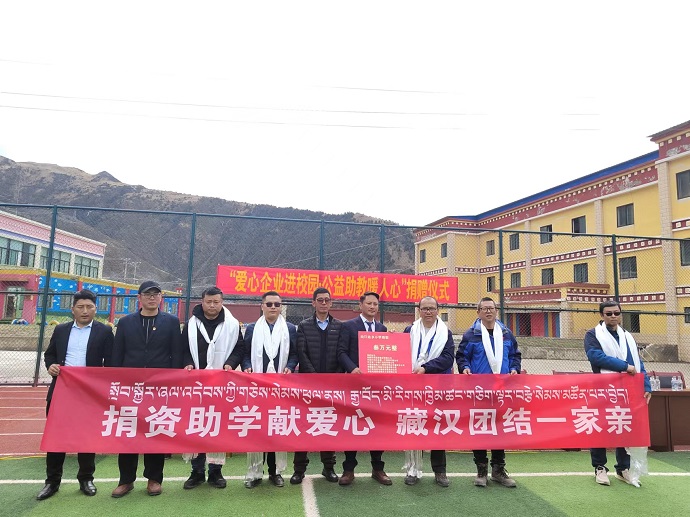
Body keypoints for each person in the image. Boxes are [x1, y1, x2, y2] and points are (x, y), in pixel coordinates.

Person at [37, 290, 114, 501]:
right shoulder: (61, 330)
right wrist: (51, 366)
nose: (85, 311)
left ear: (96, 309)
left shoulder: (104, 332)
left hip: (89, 394)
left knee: (86, 438)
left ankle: (86, 479)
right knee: (56, 437)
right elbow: (50, 354)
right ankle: (52, 482)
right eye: (80, 307)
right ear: (73, 310)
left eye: (89, 307)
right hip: (61, 391)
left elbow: (111, 363)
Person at [110, 280, 183, 498]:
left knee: (155, 431)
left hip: (159, 388)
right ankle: (126, 480)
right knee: (128, 432)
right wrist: (116, 382)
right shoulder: (125, 322)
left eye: (156, 294)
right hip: (130, 388)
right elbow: (117, 354)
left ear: (161, 298)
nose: (152, 297)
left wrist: (172, 383)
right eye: (147, 294)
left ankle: (154, 479)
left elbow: (176, 354)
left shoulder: (171, 322)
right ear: (139, 298)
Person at [181, 286, 244, 490]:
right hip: (196, 384)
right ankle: (196, 471)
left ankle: (216, 472)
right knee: (197, 425)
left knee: (217, 426)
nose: (212, 306)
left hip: (220, 385)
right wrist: (188, 363)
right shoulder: (191, 324)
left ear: (222, 302)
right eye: (209, 302)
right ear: (202, 302)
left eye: (216, 302)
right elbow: (183, 348)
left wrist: (231, 364)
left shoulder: (232, 324)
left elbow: (239, 349)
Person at [584, 300, 652, 486]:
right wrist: (624, 366)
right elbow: (596, 357)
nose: (613, 316)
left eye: (616, 313)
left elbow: (638, 363)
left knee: (624, 426)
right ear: (602, 315)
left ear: (620, 314)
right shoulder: (592, 334)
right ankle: (599, 467)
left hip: (628, 390)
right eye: (609, 314)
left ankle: (623, 468)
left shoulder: (627, 336)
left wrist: (646, 385)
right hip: (604, 388)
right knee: (600, 427)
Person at [456, 297, 520, 488]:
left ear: (496, 311)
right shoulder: (471, 335)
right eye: (484, 309)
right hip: (479, 391)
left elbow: (515, 355)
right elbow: (461, 356)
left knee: (499, 429)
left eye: (491, 308)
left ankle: (498, 470)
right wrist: (465, 367)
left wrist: (514, 368)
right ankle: (481, 470)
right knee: (480, 429)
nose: (488, 311)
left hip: (501, 390)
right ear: (478, 312)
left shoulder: (506, 333)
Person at [241, 290, 298, 489]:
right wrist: (247, 366)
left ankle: (275, 472)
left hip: (280, 387)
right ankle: (255, 473)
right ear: (262, 306)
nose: (273, 307)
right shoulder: (251, 328)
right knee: (257, 428)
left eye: (277, 304)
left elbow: (294, 354)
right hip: (257, 387)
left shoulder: (289, 328)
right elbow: (245, 353)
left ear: (281, 307)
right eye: (269, 304)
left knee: (277, 426)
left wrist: (290, 366)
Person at [336, 291, 392, 486]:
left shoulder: (382, 328)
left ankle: (378, 468)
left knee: (376, 428)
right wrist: (353, 368)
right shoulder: (349, 326)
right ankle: (348, 469)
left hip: (376, 388)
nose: (372, 307)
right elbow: (341, 352)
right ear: (361, 305)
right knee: (353, 426)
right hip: (354, 385)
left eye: (375, 304)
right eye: (369, 303)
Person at [289, 287, 342, 485]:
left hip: (331, 386)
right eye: (320, 300)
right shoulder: (303, 326)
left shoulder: (339, 326)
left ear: (331, 303)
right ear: (313, 303)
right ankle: (299, 470)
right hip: (308, 386)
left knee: (326, 425)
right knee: (303, 426)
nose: (323, 303)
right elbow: (301, 353)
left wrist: (333, 379)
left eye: (327, 300)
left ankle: (329, 467)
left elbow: (341, 353)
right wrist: (314, 379)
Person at [402, 296, 455, 488]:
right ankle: (413, 469)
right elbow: (400, 354)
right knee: (414, 425)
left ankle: (440, 471)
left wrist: (426, 368)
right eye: (424, 308)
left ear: (437, 310)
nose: (428, 312)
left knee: (437, 428)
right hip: (413, 389)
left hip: (437, 387)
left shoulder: (445, 333)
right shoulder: (409, 330)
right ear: (419, 310)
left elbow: (448, 358)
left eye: (432, 308)